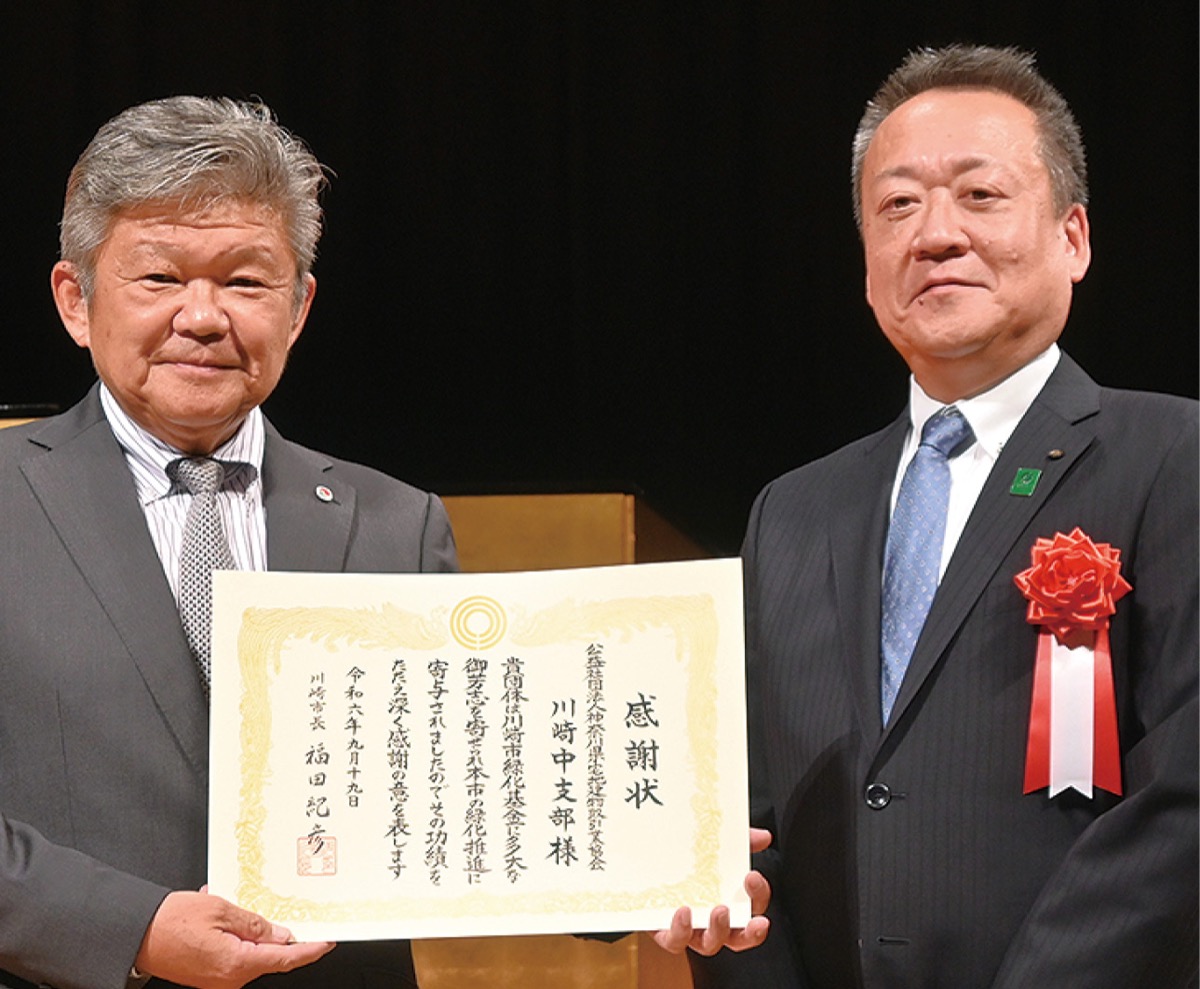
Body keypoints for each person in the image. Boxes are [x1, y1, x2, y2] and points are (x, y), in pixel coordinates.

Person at [0, 96, 765, 989]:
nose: (203, 316)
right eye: (160, 277)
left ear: (298, 306)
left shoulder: (394, 523)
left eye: (245, 282)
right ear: (76, 299)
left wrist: (668, 873)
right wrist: (132, 928)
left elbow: (479, 799)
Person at [690, 44, 1198, 989]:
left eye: (980, 195)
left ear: (1074, 238)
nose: (934, 234)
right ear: (867, 263)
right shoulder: (791, 512)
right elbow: (748, 812)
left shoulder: (1172, 456)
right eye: (897, 205)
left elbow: (1186, 797)